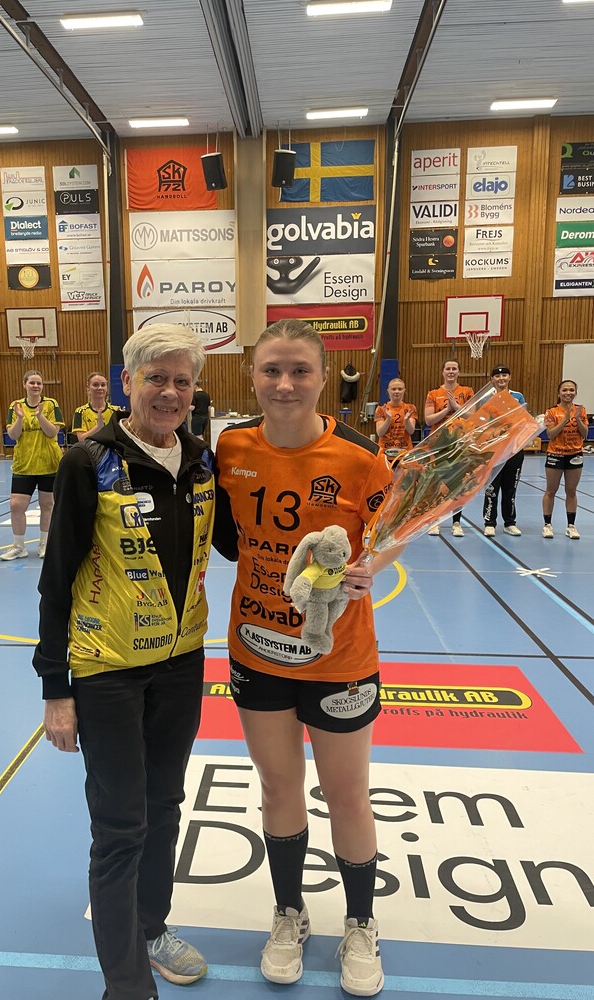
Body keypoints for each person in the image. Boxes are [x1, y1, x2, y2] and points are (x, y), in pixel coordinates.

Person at [33, 324, 235, 1000]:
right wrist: (55, 687)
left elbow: (239, 543)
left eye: (182, 381)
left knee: (165, 806)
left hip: (180, 665)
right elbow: (56, 579)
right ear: (128, 383)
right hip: (107, 671)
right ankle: (126, 985)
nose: (170, 392)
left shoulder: (202, 461)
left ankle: (152, 928)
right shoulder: (87, 460)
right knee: (121, 826)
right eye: (156, 378)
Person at [215, 319, 399, 996]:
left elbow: (393, 526)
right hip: (257, 648)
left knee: (347, 793)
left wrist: (374, 562)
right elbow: (225, 534)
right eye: (272, 370)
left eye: (299, 371)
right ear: (253, 375)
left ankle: (361, 923)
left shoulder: (360, 455)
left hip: (339, 657)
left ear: (325, 378)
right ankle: (289, 913)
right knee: (278, 786)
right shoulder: (231, 446)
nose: (285, 384)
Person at [0, 370, 64, 561]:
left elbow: (52, 432)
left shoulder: (51, 404)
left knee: (47, 505)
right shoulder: (16, 406)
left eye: (39, 383)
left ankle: (44, 544)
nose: (36, 386)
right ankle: (19, 546)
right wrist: (20, 418)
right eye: (32, 383)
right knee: (16, 505)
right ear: (24, 384)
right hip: (24, 464)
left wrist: (40, 416)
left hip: (48, 463)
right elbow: (13, 435)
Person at [424, 359, 474, 536]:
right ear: (443, 372)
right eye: (448, 368)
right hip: (439, 443)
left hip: (459, 442)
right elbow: (428, 419)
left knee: (458, 483)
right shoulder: (433, 393)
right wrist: (447, 410)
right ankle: (434, 521)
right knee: (436, 482)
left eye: (454, 368)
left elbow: (473, 416)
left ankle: (456, 522)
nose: (451, 371)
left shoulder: (467, 391)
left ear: (458, 372)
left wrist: (456, 407)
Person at [483, 365, 526, 537]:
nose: (501, 379)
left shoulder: (517, 396)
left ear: (509, 377)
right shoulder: (487, 398)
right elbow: (482, 421)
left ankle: (510, 522)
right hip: (494, 449)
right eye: (497, 376)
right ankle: (489, 522)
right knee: (491, 488)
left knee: (510, 488)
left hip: (514, 449)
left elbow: (523, 419)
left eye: (504, 375)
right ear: (492, 379)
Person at [542, 379, 588, 539]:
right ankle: (547, 525)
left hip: (575, 455)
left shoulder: (581, 410)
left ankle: (571, 526)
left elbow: (585, 434)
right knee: (551, 490)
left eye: (571, 390)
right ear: (559, 393)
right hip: (555, 454)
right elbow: (550, 434)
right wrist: (565, 419)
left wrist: (578, 419)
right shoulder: (551, 412)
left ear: (575, 393)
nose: (568, 393)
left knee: (571, 491)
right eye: (565, 390)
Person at [71, 371, 122, 442]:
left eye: (103, 385)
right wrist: (98, 427)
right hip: (90, 448)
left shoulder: (116, 411)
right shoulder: (80, 412)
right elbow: (81, 439)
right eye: (95, 385)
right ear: (88, 388)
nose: (100, 388)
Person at [374, 377, 417, 457]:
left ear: (404, 391)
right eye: (393, 389)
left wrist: (406, 420)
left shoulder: (410, 408)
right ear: (388, 391)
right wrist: (388, 419)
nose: (397, 391)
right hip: (385, 452)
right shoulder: (381, 409)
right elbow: (380, 433)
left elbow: (411, 431)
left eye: (400, 389)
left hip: (405, 452)